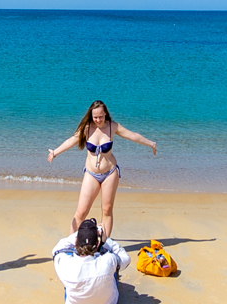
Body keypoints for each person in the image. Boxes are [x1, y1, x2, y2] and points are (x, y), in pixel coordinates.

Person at [46, 98, 156, 240]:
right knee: (81, 212)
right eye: (95, 117)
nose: (98, 120)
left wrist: (151, 144)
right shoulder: (86, 128)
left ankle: (104, 243)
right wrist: (55, 152)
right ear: (91, 116)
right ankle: (72, 243)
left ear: (106, 115)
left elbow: (132, 135)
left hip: (110, 173)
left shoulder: (112, 126)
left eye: (101, 116)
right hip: (91, 174)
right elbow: (71, 140)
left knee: (107, 210)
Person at [52, 217, 131, 304]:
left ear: (76, 241)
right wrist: (105, 240)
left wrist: (81, 234)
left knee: (67, 256)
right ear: (97, 243)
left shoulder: (64, 262)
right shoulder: (109, 260)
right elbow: (125, 259)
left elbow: (57, 249)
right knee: (113, 265)